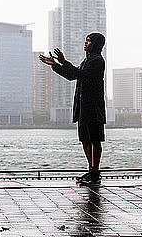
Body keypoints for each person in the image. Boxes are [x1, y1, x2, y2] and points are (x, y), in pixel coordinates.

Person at [39, 33, 106, 184]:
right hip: (83, 107)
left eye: (88, 41)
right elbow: (72, 75)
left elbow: (81, 74)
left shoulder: (97, 61)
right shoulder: (87, 60)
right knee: (85, 139)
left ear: (95, 44)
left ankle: (95, 173)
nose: (85, 43)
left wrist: (63, 62)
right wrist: (55, 65)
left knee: (95, 140)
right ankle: (91, 170)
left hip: (93, 107)